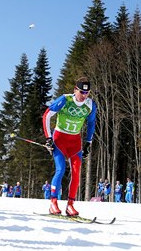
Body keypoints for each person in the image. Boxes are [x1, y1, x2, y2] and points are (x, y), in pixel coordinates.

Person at [43, 77, 97, 216]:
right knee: (60, 169)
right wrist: (49, 138)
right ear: (75, 90)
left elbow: (91, 124)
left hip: (75, 142)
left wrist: (88, 143)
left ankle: (70, 205)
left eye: (86, 93)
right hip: (59, 139)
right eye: (81, 92)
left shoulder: (90, 105)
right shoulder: (65, 100)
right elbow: (47, 115)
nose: (83, 96)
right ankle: (53, 203)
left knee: (76, 171)